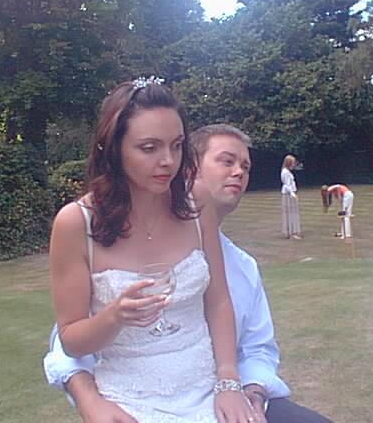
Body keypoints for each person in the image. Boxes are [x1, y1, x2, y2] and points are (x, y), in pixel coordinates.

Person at [44, 124, 334, 423]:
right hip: (139, 399)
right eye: (227, 161)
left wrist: (252, 392)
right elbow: (66, 344)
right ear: (191, 167)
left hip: (229, 396)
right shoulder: (119, 244)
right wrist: (88, 398)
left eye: (245, 166)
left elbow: (258, 348)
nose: (239, 172)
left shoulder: (244, 267)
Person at [48, 78, 254, 423]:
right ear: (113, 148)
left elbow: (218, 300)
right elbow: (70, 339)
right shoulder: (75, 224)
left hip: (207, 390)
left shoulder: (197, 200)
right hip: (129, 402)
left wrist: (228, 381)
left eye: (177, 145)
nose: (168, 161)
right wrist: (113, 317)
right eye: (149, 148)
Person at [280, 154, 302, 240]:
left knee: (292, 213)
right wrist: (292, 194)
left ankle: (292, 232)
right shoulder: (285, 172)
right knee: (291, 213)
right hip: (289, 194)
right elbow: (287, 185)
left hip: (290, 193)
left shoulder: (286, 171)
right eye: (293, 163)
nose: (294, 165)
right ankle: (292, 233)